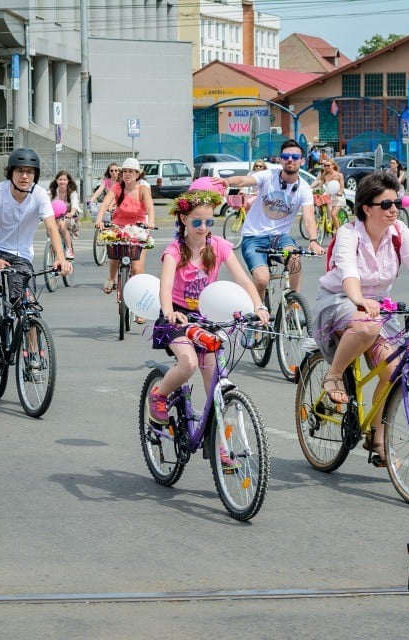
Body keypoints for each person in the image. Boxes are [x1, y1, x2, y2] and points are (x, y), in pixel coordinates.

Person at [312, 172, 409, 466]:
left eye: (397, 202)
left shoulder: (399, 232)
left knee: (395, 371)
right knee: (367, 326)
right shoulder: (349, 233)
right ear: (366, 208)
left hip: (379, 307)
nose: (394, 208)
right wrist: (359, 299)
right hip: (340, 301)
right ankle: (333, 376)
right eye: (386, 204)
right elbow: (348, 272)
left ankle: (377, 437)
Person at [147, 189, 271, 462]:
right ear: (183, 219)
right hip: (177, 318)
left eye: (209, 222)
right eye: (196, 222)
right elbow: (165, 287)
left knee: (215, 384)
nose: (203, 228)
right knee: (188, 363)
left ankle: (220, 445)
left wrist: (258, 306)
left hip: (206, 318)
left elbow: (244, 280)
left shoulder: (219, 247)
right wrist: (169, 312)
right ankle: (159, 395)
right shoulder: (174, 251)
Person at [0, 148, 72, 362]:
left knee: (28, 306)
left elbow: (52, 228)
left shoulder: (40, 195)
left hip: (21, 254)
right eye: (20, 171)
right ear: (11, 173)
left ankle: (33, 355)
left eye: (30, 171)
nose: (25, 176)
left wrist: (61, 258)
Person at [219, 139, 324, 301]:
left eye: (295, 157)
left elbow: (309, 217)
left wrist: (313, 240)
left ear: (302, 161)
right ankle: (258, 312)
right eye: (286, 156)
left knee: (294, 260)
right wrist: (227, 182)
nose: (290, 160)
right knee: (262, 279)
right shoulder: (268, 176)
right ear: (281, 159)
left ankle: (293, 303)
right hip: (253, 237)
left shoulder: (304, 189)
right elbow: (244, 181)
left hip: (279, 237)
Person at [94, 157, 155, 319]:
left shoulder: (143, 190)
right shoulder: (117, 187)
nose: (127, 174)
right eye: (125, 171)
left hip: (138, 228)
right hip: (119, 226)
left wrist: (151, 223)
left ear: (138, 174)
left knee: (137, 269)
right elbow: (105, 204)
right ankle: (111, 279)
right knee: (113, 249)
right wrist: (99, 219)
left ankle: (139, 309)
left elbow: (150, 208)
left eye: (131, 171)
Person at [48, 170, 82, 259]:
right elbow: (46, 203)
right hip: (55, 216)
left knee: (62, 225)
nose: (62, 182)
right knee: (51, 228)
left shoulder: (72, 192)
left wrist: (72, 212)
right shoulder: (52, 191)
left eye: (64, 180)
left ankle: (69, 249)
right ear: (56, 181)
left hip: (69, 216)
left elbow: (75, 204)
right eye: (60, 179)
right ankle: (51, 256)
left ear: (68, 181)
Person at [312, 156, 346, 230]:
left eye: (328, 165)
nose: (326, 167)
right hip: (330, 198)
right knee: (326, 210)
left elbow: (342, 187)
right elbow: (320, 186)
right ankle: (328, 224)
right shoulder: (325, 176)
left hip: (338, 198)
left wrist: (340, 192)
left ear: (333, 165)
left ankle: (338, 231)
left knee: (333, 214)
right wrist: (316, 190)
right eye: (325, 165)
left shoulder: (339, 175)